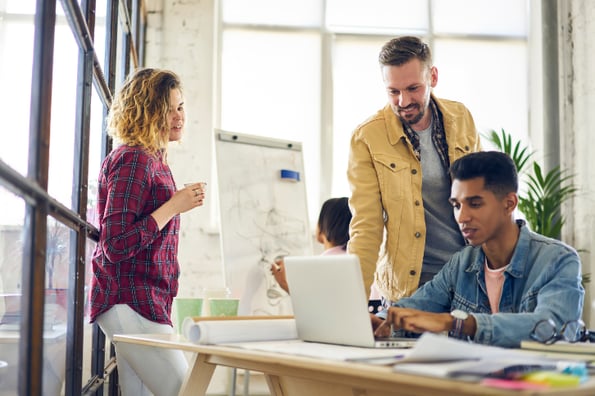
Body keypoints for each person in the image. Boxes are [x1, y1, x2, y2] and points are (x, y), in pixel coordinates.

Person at [372, 151, 584, 348]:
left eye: (474, 204)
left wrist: (460, 323)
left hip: (536, 385)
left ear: (509, 204)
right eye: (456, 205)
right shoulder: (461, 263)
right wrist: (381, 321)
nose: (462, 218)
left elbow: (553, 330)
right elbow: (415, 307)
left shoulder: (557, 260)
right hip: (471, 383)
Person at [89, 68, 205, 395]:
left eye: (180, 107)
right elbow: (115, 244)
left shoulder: (152, 159)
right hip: (130, 299)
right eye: (167, 109)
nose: (177, 116)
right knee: (186, 391)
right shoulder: (133, 159)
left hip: (143, 300)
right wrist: (174, 205)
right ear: (146, 112)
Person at [347, 36, 481, 306]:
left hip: (471, 279)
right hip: (412, 288)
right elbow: (366, 227)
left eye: (413, 88)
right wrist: (353, 306)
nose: (403, 101)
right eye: (393, 91)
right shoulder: (368, 138)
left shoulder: (461, 117)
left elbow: (484, 197)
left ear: (432, 76)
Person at [270, 197, 352, 293]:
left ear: (322, 226)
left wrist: (284, 283)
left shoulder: (322, 265)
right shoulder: (355, 258)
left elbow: (317, 303)